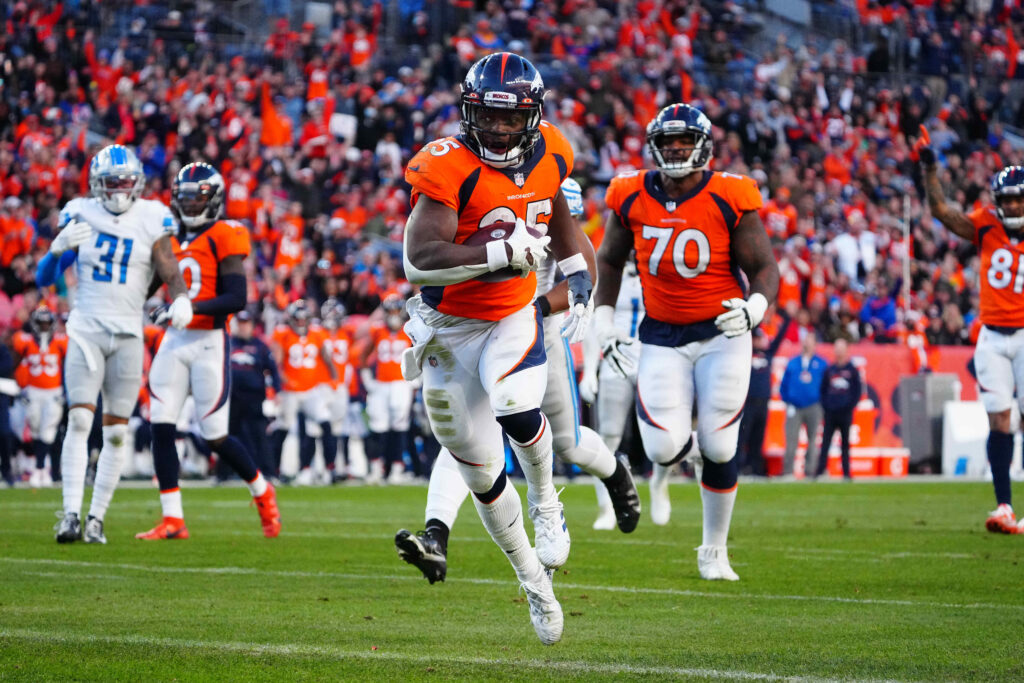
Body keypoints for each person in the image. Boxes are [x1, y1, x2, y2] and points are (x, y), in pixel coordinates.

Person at [398, 52, 594, 644]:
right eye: (488, 116)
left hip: (511, 311)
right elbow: (419, 259)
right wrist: (495, 255)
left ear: (533, 118)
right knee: (480, 471)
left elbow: (554, 207)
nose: (500, 130)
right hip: (448, 328)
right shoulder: (446, 164)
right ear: (468, 110)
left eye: (512, 120)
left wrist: (580, 272)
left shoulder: (552, 150)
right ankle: (534, 582)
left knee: (514, 401)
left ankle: (545, 502)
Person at [395, 178, 641, 582]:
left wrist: (534, 307)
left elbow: (584, 280)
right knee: (466, 439)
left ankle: (615, 472)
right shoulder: (492, 217)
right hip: (480, 328)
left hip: (540, 330)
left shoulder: (563, 226)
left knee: (566, 443)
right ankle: (436, 536)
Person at [594, 103, 780, 581]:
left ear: (704, 147)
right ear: (654, 147)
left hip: (722, 333)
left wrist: (755, 308)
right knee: (659, 448)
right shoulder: (630, 193)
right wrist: (604, 317)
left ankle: (713, 551)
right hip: (661, 333)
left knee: (720, 446)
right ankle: (679, 464)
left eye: (685, 142)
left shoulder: (728, 194)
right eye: (668, 142)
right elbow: (610, 260)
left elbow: (763, 267)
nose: (676, 150)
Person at [36, 144, 192, 544]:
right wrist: (55, 252)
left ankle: (96, 520)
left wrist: (180, 298)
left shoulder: (152, 217)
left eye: (126, 181)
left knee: (118, 434)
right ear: (97, 184)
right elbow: (43, 278)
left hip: (127, 334)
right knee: (80, 420)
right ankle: (70, 513)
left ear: (137, 183)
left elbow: (168, 265)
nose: (120, 189)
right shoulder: (81, 211)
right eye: (112, 182)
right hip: (86, 330)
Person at [136, 162, 281, 540]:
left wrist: (191, 307)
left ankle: (263, 492)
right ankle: (173, 518)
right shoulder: (169, 238)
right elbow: (148, 288)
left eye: (196, 197)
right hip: (174, 341)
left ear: (213, 198)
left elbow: (237, 297)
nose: (190, 204)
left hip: (208, 342)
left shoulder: (225, 233)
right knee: (161, 425)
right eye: (184, 197)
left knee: (215, 435)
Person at [916, 126, 1024, 534]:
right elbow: (943, 211)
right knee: (999, 421)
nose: (1012, 206)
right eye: (1007, 200)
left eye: (1017, 199)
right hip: (993, 337)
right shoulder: (985, 224)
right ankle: (1004, 507)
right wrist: (930, 170)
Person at [579, 250, 645, 529]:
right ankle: (606, 506)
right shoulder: (609, 274)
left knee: (664, 437)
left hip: (654, 362)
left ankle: (661, 482)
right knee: (609, 437)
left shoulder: (660, 271)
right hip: (616, 361)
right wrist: (591, 370)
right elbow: (593, 324)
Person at [269, 299, 338, 485]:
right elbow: (277, 362)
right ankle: (274, 470)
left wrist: (333, 379)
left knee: (325, 424)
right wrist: (283, 381)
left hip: (312, 390)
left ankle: (331, 468)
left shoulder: (317, 334)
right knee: (283, 428)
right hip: (290, 391)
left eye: (303, 319)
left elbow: (326, 356)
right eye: (297, 319)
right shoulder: (282, 334)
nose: (300, 322)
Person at [10, 305, 67, 487]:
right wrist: (20, 388)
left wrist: (66, 390)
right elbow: (14, 362)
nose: (44, 326)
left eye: (47, 323)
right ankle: (39, 468)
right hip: (33, 391)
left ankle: (41, 469)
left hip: (53, 392)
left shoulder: (60, 341)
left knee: (48, 430)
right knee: (34, 428)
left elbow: (68, 366)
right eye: (41, 323)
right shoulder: (24, 341)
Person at [361, 294, 414, 482]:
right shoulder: (378, 330)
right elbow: (364, 354)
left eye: (395, 310)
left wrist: (418, 378)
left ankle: (397, 468)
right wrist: (367, 376)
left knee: (399, 426)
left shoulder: (409, 330)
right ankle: (376, 468)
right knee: (378, 425)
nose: (392, 315)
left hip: (401, 383)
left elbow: (421, 355)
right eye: (389, 311)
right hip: (381, 384)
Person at [229, 309, 281, 480]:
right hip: (233, 397)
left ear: (252, 326)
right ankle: (225, 473)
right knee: (227, 436)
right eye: (241, 324)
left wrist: (277, 391)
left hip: (254, 397)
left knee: (259, 435)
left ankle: (268, 471)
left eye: (246, 324)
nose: (243, 328)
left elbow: (272, 369)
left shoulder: (260, 346)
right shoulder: (229, 343)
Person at [737, 309, 791, 476]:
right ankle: (738, 468)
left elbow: (781, 336)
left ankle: (755, 468)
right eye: (756, 337)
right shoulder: (745, 353)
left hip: (763, 401)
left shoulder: (768, 353)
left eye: (760, 337)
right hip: (748, 401)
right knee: (742, 437)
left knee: (758, 437)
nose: (760, 340)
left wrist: (785, 317)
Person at [779, 332, 827, 477]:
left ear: (815, 344)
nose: (807, 343)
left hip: (814, 405)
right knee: (791, 439)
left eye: (810, 340)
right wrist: (788, 401)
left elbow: (826, 385)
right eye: (805, 340)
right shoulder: (793, 362)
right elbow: (784, 385)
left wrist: (822, 404)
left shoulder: (822, 364)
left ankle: (810, 470)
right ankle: (787, 471)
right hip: (795, 406)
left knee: (813, 440)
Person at [817, 337, 861, 479]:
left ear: (847, 350)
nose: (839, 351)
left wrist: (849, 406)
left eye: (842, 348)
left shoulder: (852, 370)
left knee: (845, 444)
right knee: (825, 443)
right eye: (837, 348)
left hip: (845, 412)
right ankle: (820, 471)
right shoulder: (830, 369)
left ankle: (846, 472)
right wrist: (827, 406)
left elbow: (857, 391)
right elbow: (823, 390)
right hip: (830, 412)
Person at [320, 297, 352, 481]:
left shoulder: (347, 332)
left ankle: (336, 467)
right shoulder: (316, 332)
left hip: (340, 386)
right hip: (321, 386)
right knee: (319, 429)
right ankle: (319, 468)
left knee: (338, 429)